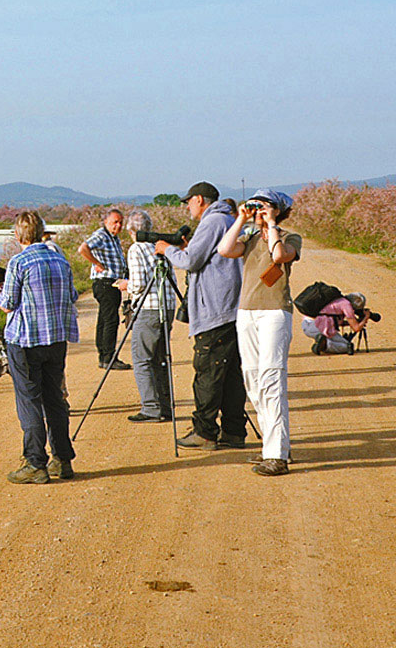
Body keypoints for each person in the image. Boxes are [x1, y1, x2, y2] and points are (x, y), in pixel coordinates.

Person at [156, 182, 248, 450]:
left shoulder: (212, 222)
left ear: (199, 199)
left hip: (215, 311)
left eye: (188, 202)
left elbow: (190, 262)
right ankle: (234, 431)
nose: (187, 207)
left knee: (207, 373)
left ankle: (205, 432)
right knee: (231, 375)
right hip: (231, 309)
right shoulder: (228, 219)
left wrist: (166, 250)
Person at [217, 189, 300, 476]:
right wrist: (241, 219)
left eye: (266, 205)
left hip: (275, 312)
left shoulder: (289, 237)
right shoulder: (249, 237)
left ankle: (277, 455)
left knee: (272, 377)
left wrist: (272, 223)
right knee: (252, 379)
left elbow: (279, 256)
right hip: (247, 312)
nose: (260, 209)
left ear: (279, 209)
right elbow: (225, 250)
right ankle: (272, 446)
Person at [0, 210, 80, 484]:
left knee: (29, 401)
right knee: (54, 399)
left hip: (26, 341)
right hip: (56, 339)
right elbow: (73, 295)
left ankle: (35, 463)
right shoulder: (60, 260)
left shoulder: (19, 262)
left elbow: (7, 303)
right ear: (43, 231)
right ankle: (62, 460)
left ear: (18, 235)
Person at [123, 211, 179, 422]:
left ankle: (150, 408)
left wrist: (125, 285)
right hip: (167, 306)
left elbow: (137, 284)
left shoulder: (136, 248)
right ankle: (165, 406)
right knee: (160, 359)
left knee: (142, 359)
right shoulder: (159, 245)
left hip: (148, 309)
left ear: (132, 231)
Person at [79, 209, 130, 370]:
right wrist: (96, 263)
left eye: (121, 222)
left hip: (111, 282)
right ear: (106, 222)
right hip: (105, 282)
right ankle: (109, 357)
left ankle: (104, 356)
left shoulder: (113, 238)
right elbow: (83, 248)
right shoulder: (101, 235)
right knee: (110, 320)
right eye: (115, 222)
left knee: (104, 319)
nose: (119, 225)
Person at [301, 292, 372, 355]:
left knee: (338, 339)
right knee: (347, 346)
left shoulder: (338, 300)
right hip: (319, 327)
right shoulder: (347, 305)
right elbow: (356, 328)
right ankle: (325, 344)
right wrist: (366, 317)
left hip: (308, 323)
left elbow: (333, 321)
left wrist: (351, 322)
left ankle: (322, 341)